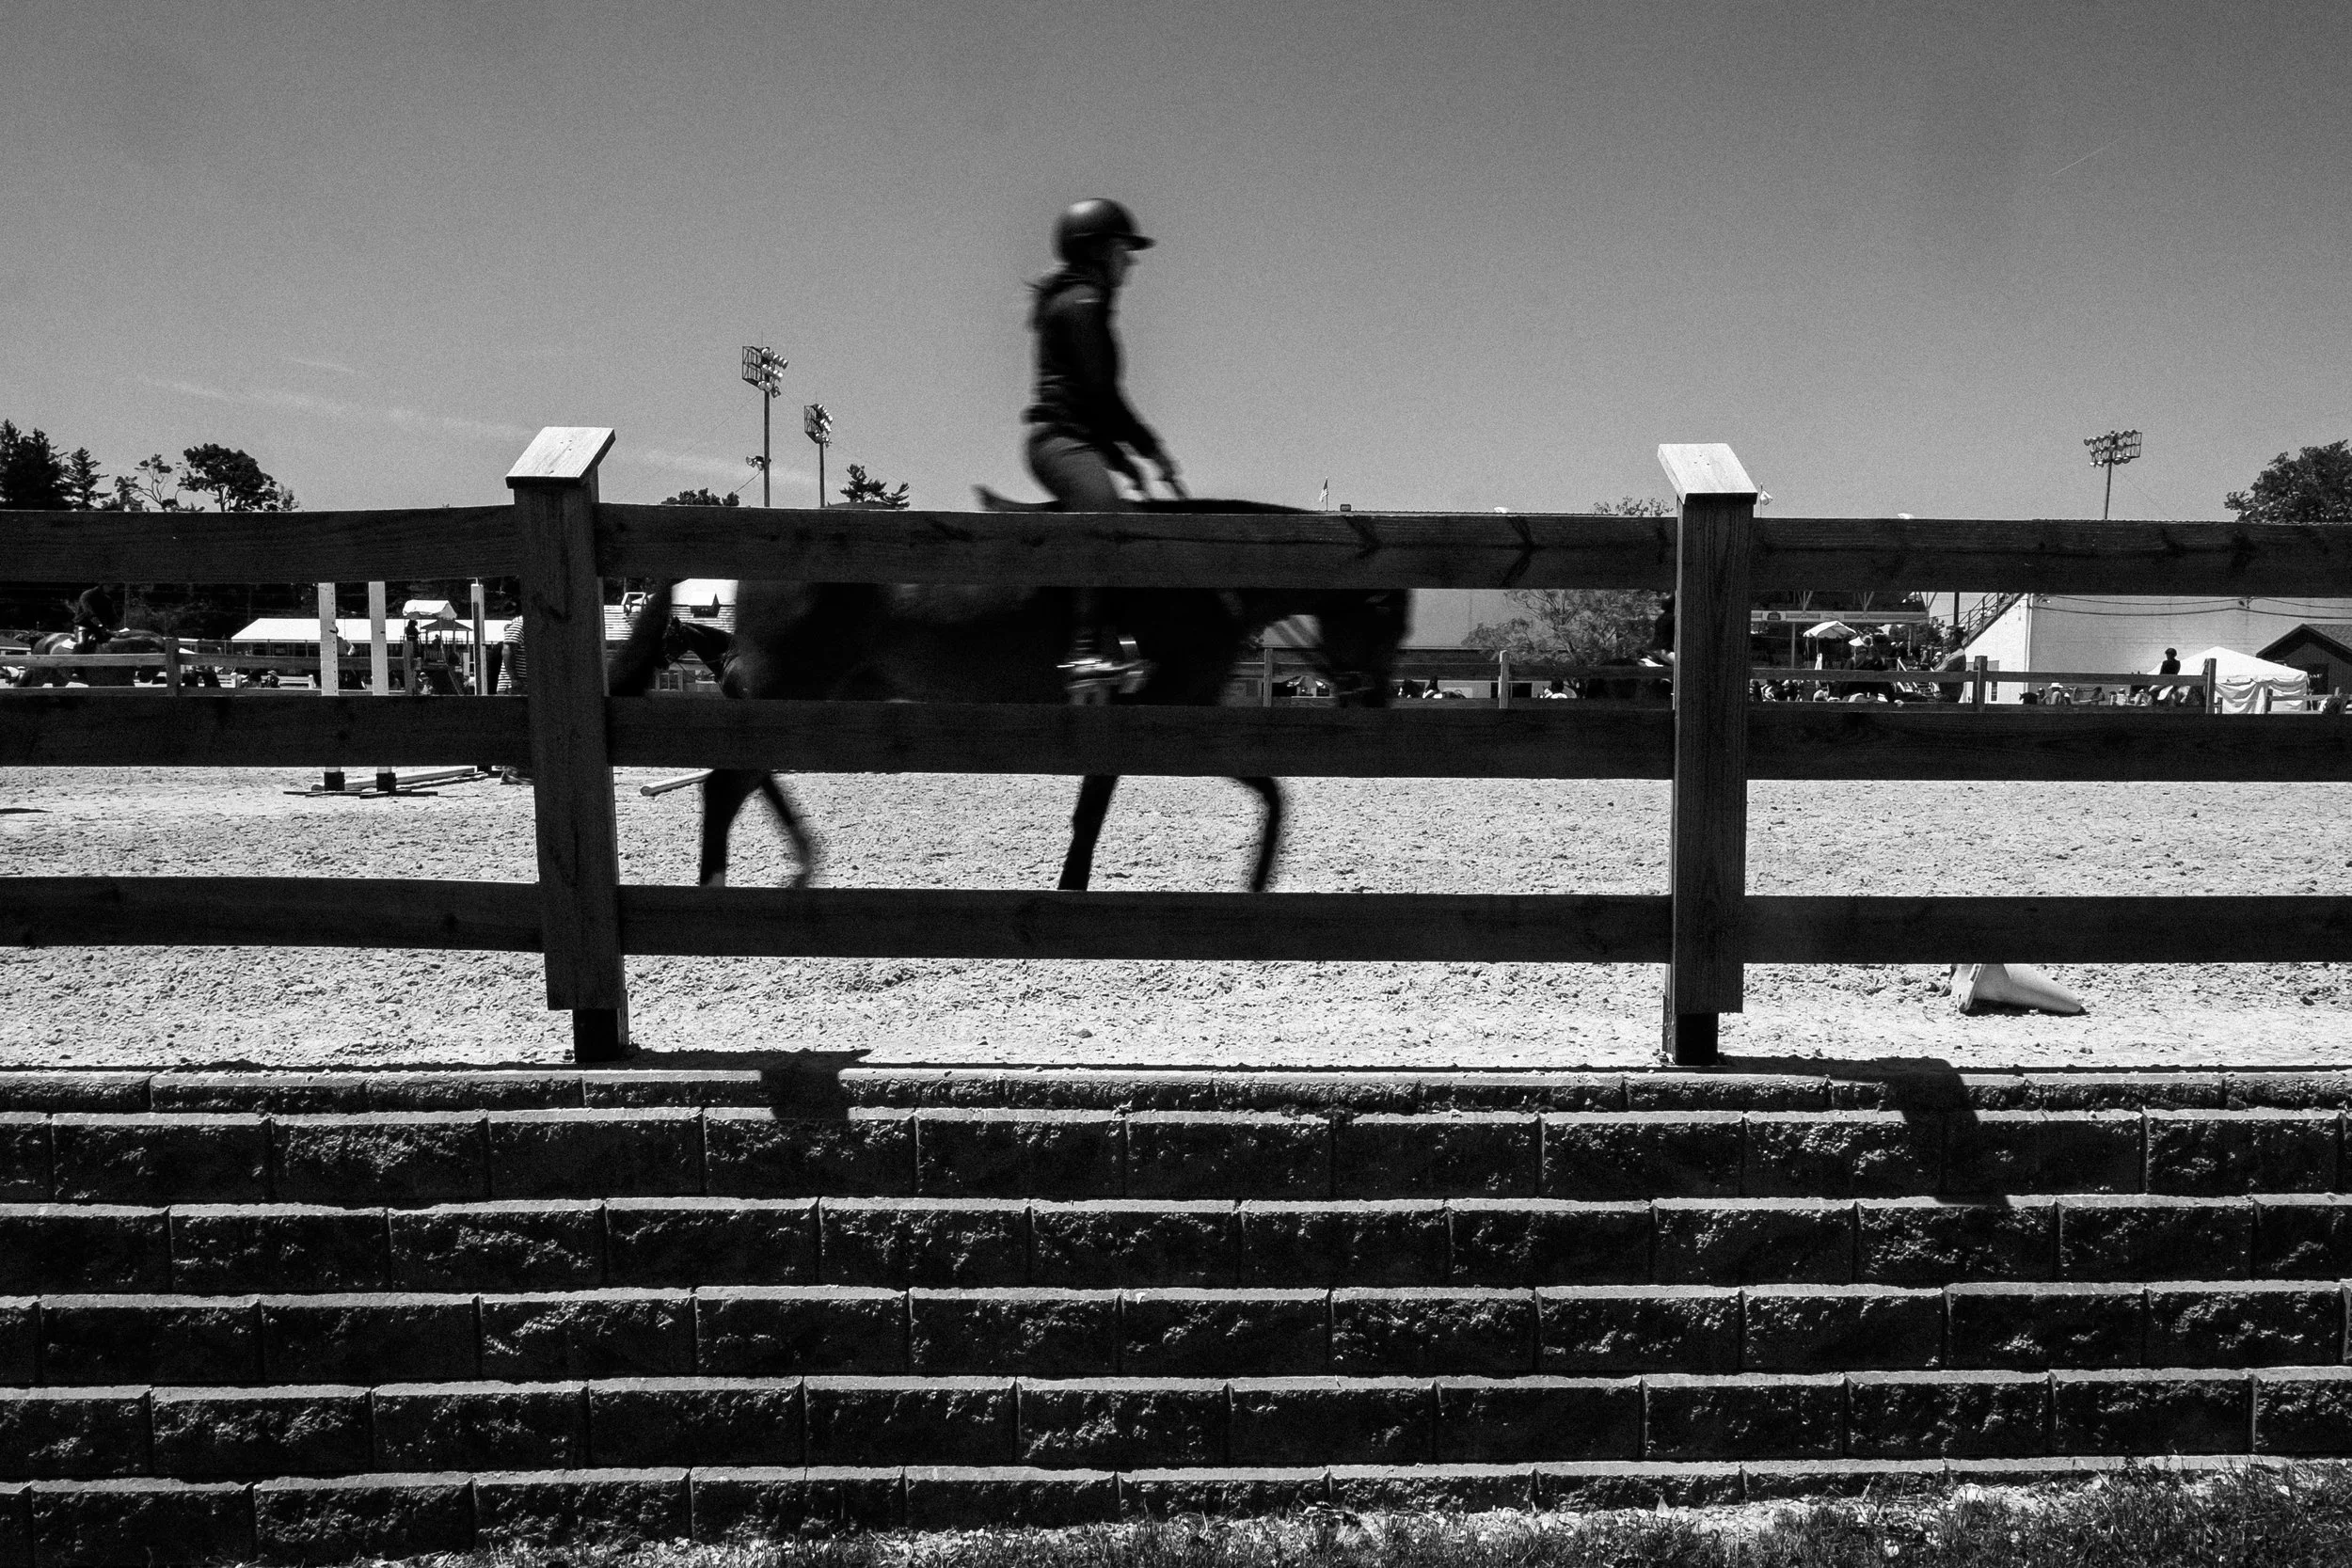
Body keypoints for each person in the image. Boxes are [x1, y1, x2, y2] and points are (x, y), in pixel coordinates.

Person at [1025, 198, 1181, 699]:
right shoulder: (1082, 304)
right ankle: (1084, 651)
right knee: (1105, 514)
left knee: (1125, 516)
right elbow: (1102, 396)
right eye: (1122, 249)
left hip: (1076, 439)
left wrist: (1122, 458)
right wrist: (1150, 450)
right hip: (1057, 442)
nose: (1130, 260)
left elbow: (1093, 404)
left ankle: (1116, 639)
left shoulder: (1085, 302)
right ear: (1095, 251)